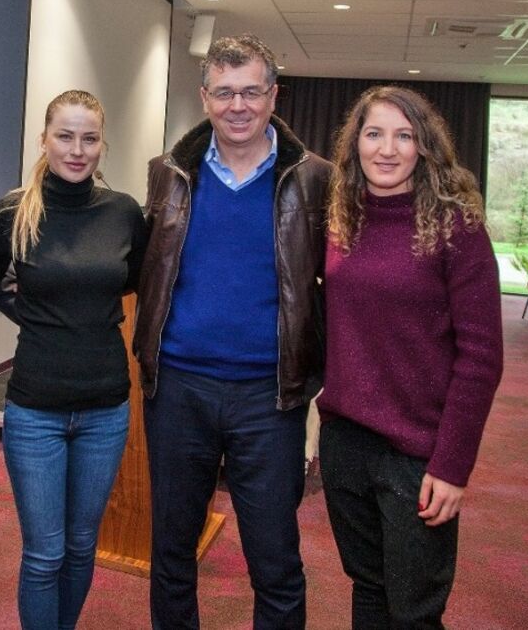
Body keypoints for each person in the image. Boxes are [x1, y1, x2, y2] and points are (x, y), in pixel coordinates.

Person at [133, 34, 331, 629]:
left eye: (251, 91)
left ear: (274, 96)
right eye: (224, 93)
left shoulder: (314, 179)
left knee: (274, 558)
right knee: (170, 550)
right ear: (205, 98)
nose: (237, 105)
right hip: (178, 391)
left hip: (269, 397)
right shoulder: (168, 175)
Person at [317, 85, 504, 628]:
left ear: (425, 147)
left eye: (405, 136)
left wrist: (452, 464)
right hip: (345, 440)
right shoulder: (339, 220)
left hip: (419, 453)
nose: (387, 149)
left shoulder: (456, 227)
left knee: (415, 608)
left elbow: (482, 356)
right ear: (355, 145)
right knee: (368, 588)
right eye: (374, 134)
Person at [0, 90, 147, 629]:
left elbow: (137, 281)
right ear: (44, 140)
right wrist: (35, 315)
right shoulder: (13, 211)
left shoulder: (122, 212)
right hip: (35, 411)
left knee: (80, 547)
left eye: (89, 138)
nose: (77, 150)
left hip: (105, 408)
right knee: (45, 553)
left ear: (103, 145)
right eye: (65, 136)